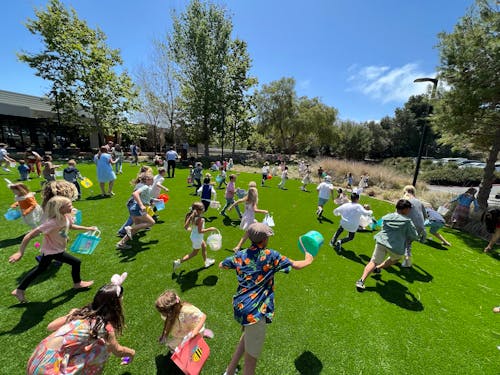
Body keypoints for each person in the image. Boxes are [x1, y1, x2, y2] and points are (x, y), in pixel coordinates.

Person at [220, 223, 314, 375]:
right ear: (263, 240)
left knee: (247, 337)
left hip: (240, 306)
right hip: (255, 312)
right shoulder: (270, 255)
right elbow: (296, 265)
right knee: (250, 363)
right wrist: (309, 259)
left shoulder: (240, 255)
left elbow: (222, 265)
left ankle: (229, 371)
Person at [27, 274, 135, 373]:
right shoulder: (105, 327)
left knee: (96, 343)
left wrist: (69, 316)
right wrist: (131, 353)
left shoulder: (81, 313)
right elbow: (118, 350)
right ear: (115, 304)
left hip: (38, 359)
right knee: (103, 349)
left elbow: (50, 327)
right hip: (49, 370)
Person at [8, 196, 95, 303]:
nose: (72, 207)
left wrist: (88, 228)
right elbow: (29, 235)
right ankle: (77, 283)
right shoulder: (51, 223)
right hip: (53, 251)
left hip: (56, 248)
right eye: (69, 205)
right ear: (59, 208)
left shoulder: (66, 216)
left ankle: (19, 290)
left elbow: (71, 226)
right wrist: (20, 252)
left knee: (41, 269)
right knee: (76, 262)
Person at [355, 199, 419, 292]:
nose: (410, 211)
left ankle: (361, 281)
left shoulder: (386, 217)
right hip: (395, 247)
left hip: (381, 242)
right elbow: (414, 235)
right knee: (396, 259)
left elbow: (383, 228)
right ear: (404, 209)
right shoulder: (407, 221)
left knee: (373, 261)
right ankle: (378, 268)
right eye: (409, 209)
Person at [156, 290, 213, 357]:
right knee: (174, 346)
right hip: (181, 332)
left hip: (192, 329)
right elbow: (168, 322)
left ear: (171, 310)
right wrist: (164, 335)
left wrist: (196, 330)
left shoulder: (187, 311)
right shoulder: (169, 314)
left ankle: (203, 333)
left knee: (193, 345)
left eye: (164, 314)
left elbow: (203, 316)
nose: (163, 315)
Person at [116, 172, 156, 250]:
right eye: (152, 180)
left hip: (134, 208)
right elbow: (135, 194)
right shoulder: (145, 187)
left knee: (136, 228)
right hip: (138, 208)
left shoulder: (141, 185)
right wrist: (141, 205)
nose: (153, 181)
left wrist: (155, 200)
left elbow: (144, 197)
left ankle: (121, 243)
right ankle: (129, 228)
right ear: (147, 180)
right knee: (152, 222)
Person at [173, 202, 217, 271]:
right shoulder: (201, 219)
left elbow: (186, 227)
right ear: (199, 210)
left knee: (204, 246)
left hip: (194, 236)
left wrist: (192, 230)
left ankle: (206, 262)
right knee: (194, 253)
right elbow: (200, 231)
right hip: (198, 238)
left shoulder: (191, 216)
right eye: (202, 208)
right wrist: (210, 229)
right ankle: (178, 262)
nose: (203, 209)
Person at [230, 187, 268, 251]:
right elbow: (255, 210)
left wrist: (231, 207)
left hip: (246, 217)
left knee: (254, 230)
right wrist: (264, 211)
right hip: (249, 219)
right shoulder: (253, 202)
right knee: (248, 233)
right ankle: (239, 247)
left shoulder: (247, 198)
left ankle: (256, 244)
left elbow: (239, 201)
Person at [401, 185, 427, 267]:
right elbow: (425, 215)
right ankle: (406, 261)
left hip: (409, 225)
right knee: (408, 243)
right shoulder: (419, 202)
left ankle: (404, 260)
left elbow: (398, 213)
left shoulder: (404, 200)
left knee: (403, 241)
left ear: (405, 192)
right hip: (420, 227)